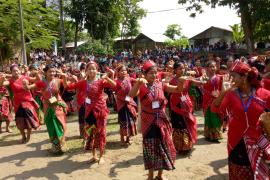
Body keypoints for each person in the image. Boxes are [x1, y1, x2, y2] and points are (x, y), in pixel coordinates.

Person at [212, 61, 270, 179]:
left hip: (257, 140)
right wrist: (223, 92)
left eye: (233, 76)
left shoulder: (264, 94)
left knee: (258, 173)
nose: (231, 79)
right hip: (236, 140)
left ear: (244, 77)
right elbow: (215, 109)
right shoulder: (231, 94)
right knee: (239, 171)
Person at [129, 60, 185, 180]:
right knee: (150, 148)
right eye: (150, 73)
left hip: (161, 120)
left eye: (155, 73)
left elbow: (177, 90)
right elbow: (131, 95)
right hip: (148, 122)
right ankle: (150, 176)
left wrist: (181, 83)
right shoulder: (142, 86)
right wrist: (138, 83)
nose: (154, 75)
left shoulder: (160, 84)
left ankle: (160, 175)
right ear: (144, 74)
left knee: (162, 147)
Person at [65, 61, 116, 164]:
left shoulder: (101, 81)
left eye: (94, 68)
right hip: (89, 111)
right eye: (89, 69)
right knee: (91, 133)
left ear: (97, 71)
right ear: (86, 71)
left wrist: (109, 76)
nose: (92, 70)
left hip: (100, 111)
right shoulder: (83, 82)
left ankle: (101, 156)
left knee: (101, 133)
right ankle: (94, 155)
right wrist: (64, 77)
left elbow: (114, 86)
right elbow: (69, 87)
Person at [24, 64, 68, 153]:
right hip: (47, 107)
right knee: (50, 125)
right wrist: (25, 83)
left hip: (58, 105)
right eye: (50, 71)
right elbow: (28, 87)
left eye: (54, 71)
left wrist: (65, 78)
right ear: (45, 73)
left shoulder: (58, 81)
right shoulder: (41, 82)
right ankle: (55, 146)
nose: (52, 73)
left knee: (60, 123)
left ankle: (62, 143)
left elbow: (67, 86)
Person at [0, 64, 40, 143]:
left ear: (20, 70)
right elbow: (2, 84)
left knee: (29, 119)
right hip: (18, 103)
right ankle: (23, 136)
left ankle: (28, 135)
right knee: (19, 120)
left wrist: (37, 73)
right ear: (11, 72)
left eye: (17, 70)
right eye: (14, 71)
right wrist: (2, 79)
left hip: (28, 101)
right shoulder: (11, 80)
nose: (16, 72)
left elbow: (36, 80)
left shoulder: (25, 77)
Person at [169, 62, 197, 154]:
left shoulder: (187, 79)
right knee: (178, 126)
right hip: (176, 106)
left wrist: (204, 80)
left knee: (187, 125)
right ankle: (179, 146)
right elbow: (175, 92)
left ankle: (187, 146)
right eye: (180, 68)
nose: (182, 70)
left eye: (183, 68)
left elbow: (197, 82)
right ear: (175, 70)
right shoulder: (172, 81)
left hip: (186, 104)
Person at [114, 64, 137, 145]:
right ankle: (122, 138)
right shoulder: (116, 82)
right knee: (123, 122)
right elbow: (118, 94)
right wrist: (126, 99)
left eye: (125, 70)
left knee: (130, 121)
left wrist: (141, 80)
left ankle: (128, 137)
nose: (124, 72)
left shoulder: (129, 79)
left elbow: (137, 81)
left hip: (130, 103)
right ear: (118, 72)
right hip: (122, 105)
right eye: (122, 70)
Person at [201, 61, 223, 142]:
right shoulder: (203, 78)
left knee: (215, 116)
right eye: (211, 66)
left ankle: (216, 135)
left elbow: (222, 88)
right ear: (207, 68)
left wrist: (219, 94)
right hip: (207, 99)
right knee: (207, 116)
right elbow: (201, 87)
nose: (213, 68)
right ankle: (208, 134)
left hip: (216, 99)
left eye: (214, 66)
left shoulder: (219, 77)